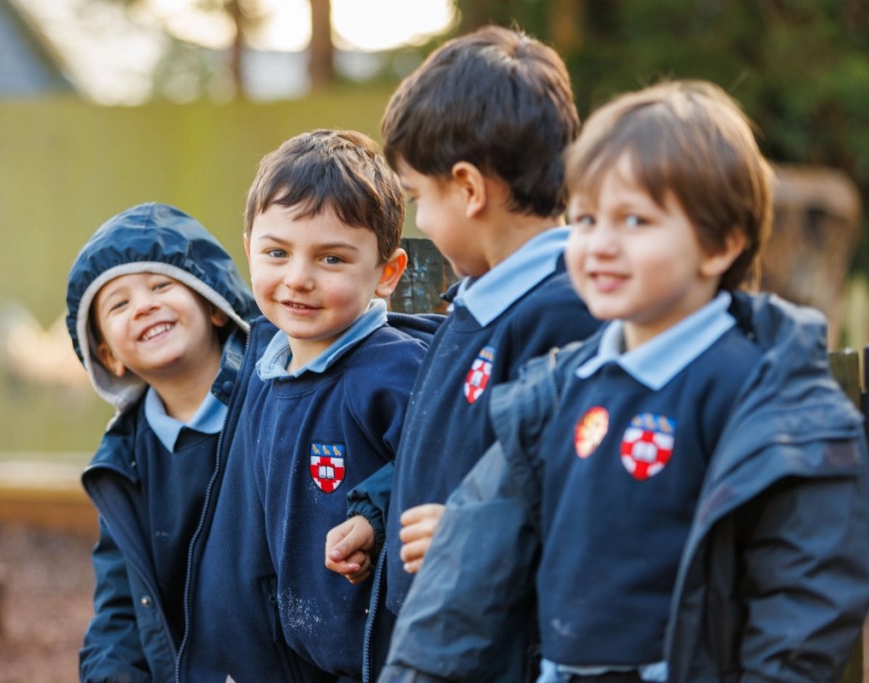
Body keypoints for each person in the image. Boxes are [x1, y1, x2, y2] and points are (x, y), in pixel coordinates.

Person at [383, 80, 869, 683]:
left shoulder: (760, 398)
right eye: (585, 218)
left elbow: (804, 597)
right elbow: (467, 572)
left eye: (634, 220)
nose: (600, 245)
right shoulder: (559, 387)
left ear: (721, 245)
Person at [322, 25, 599, 679]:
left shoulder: (566, 315)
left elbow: (584, 495)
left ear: (470, 188)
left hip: (500, 650)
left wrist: (471, 533)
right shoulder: (471, 302)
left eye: (419, 197)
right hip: (437, 638)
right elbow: (440, 446)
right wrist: (377, 513)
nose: (417, 221)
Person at [178, 129, 440, 682]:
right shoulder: (262, 370)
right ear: (249, 248)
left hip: (385, 660)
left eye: (331, 259)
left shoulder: (393, 371)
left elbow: (448, 461)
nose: (298, 279)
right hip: (300, 660)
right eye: (277, 252)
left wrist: (374, 517)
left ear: (387, 274)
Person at [66, 202, 259, 682]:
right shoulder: (124, 464)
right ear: (108, 355)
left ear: (214, 305)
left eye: (161, 286)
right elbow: (119, 613)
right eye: (119, 304)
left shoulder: (276, 402)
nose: (144, 305)